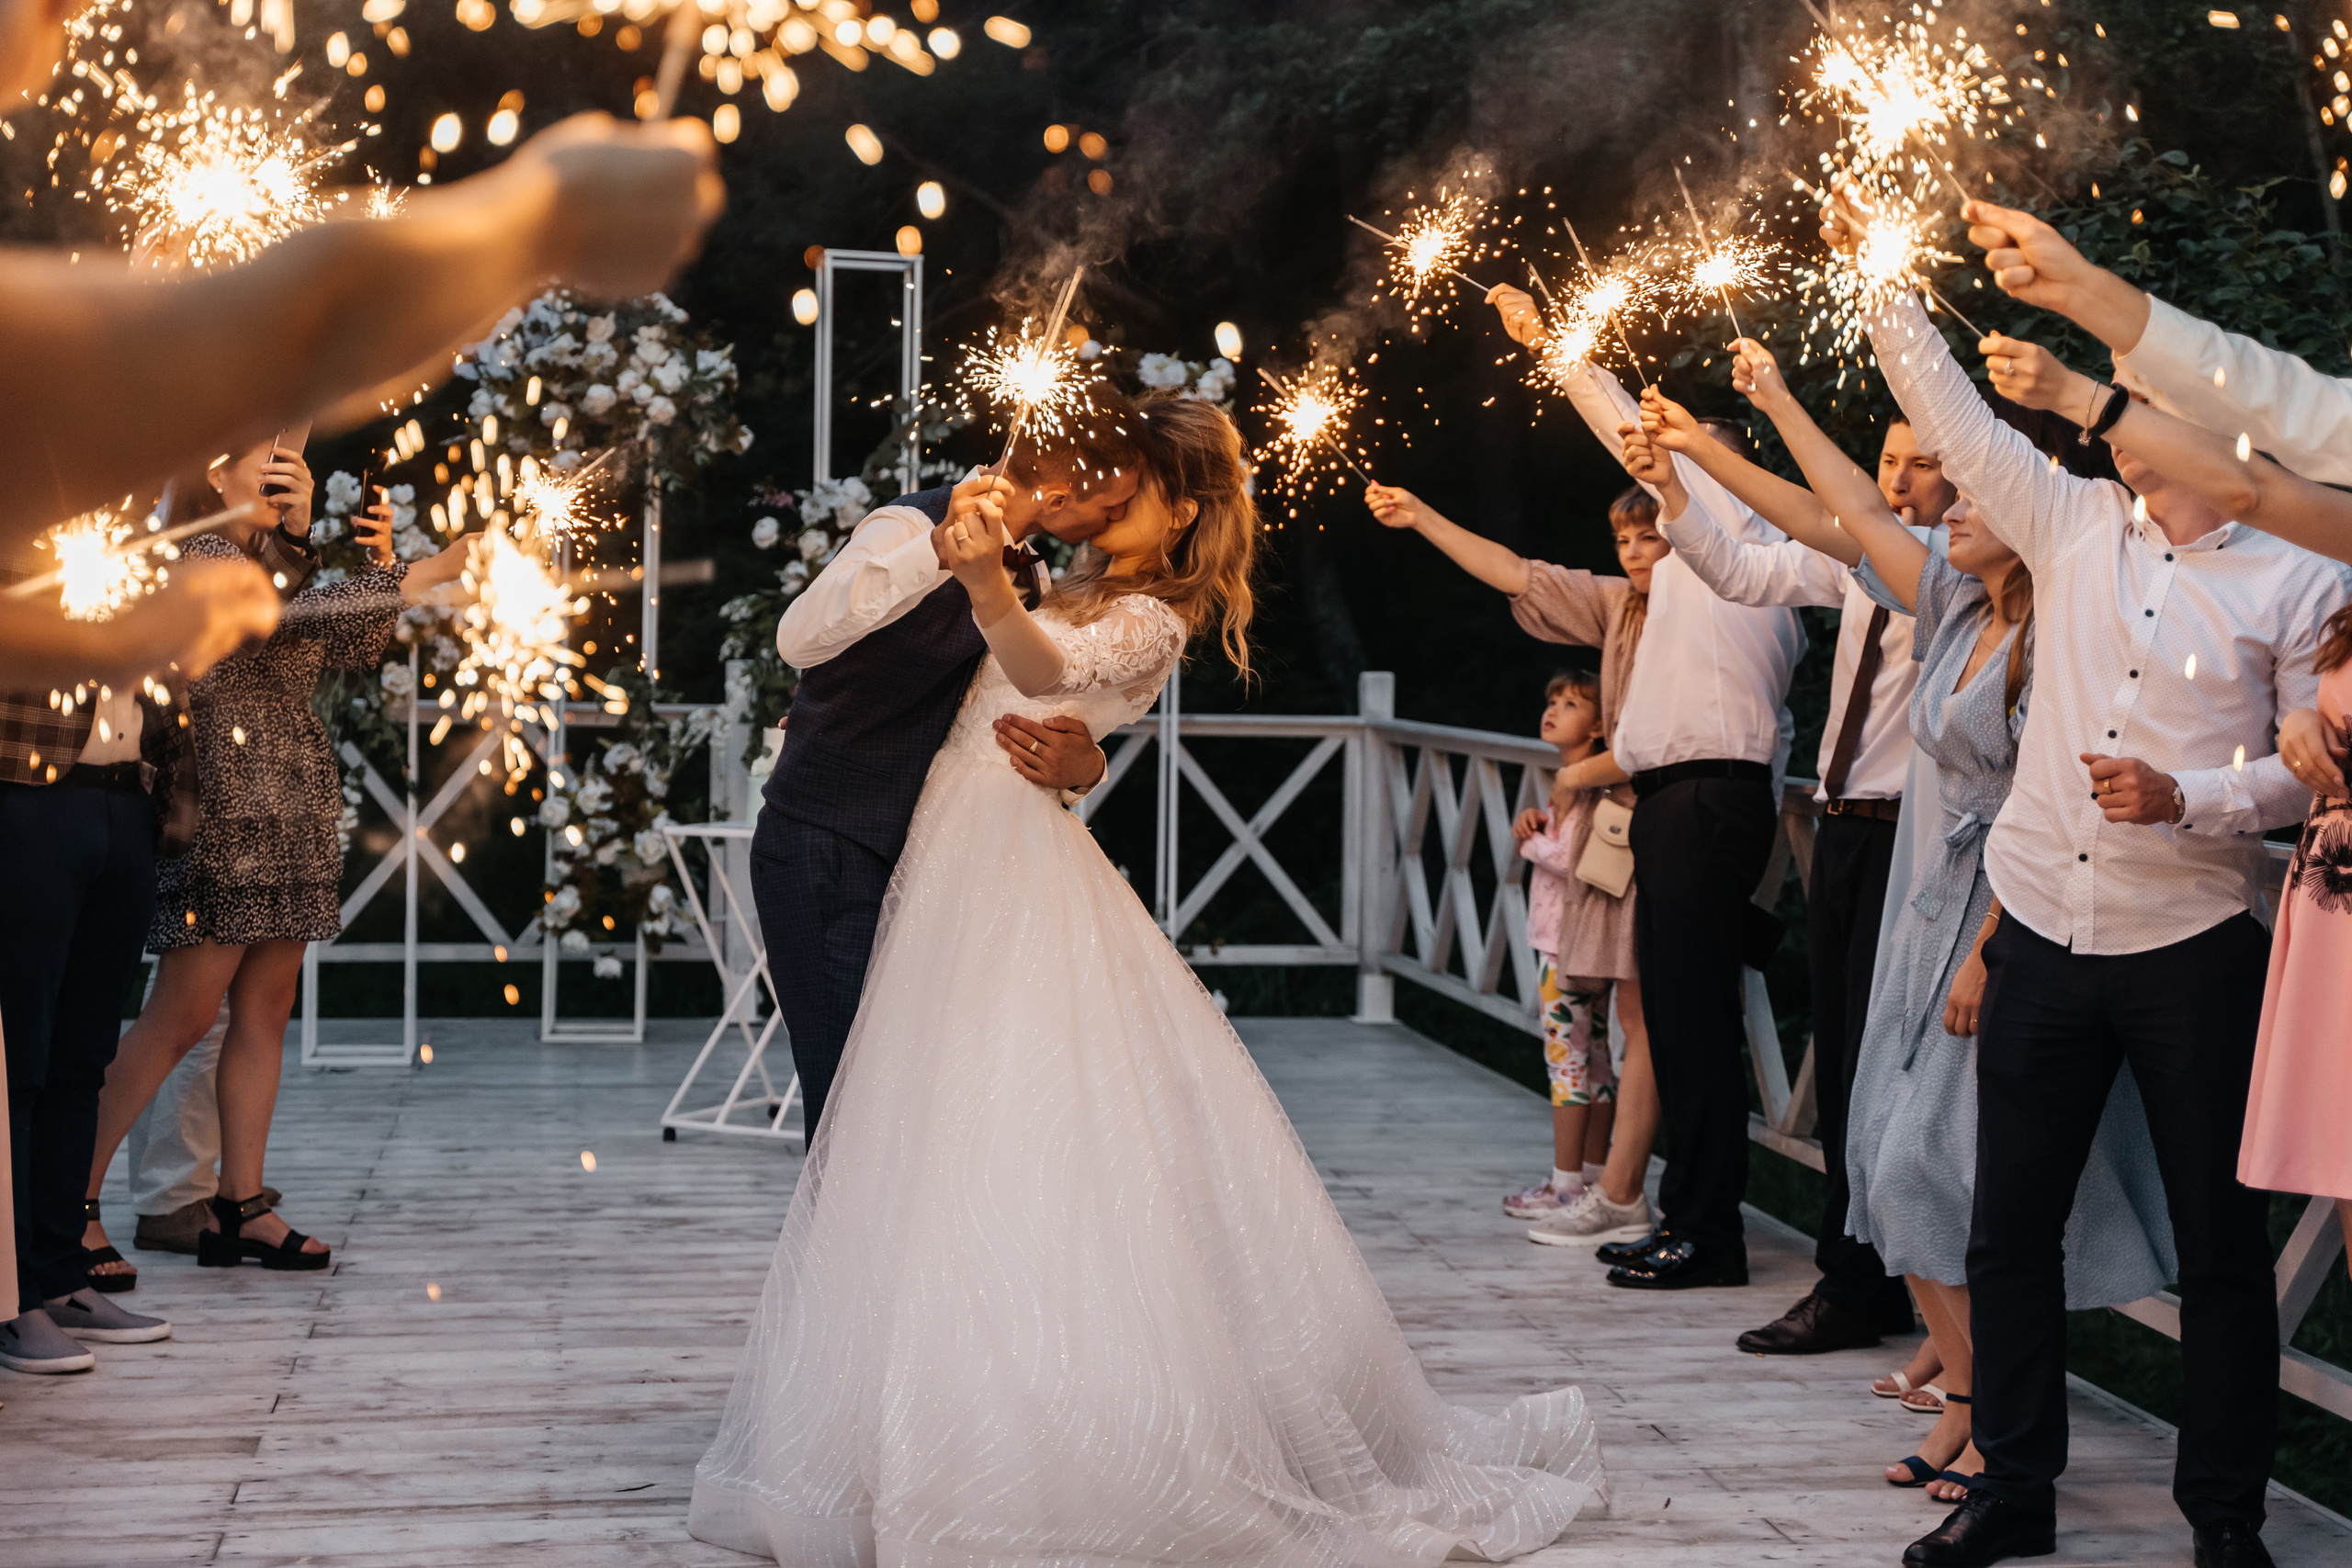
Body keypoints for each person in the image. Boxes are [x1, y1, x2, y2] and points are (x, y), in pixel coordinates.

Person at [688, 396, 1605, 1562]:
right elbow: (921, 673)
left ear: (1180, 507)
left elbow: (1049, 666)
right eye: (1098, 476)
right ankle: (906, 1411)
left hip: (1002, 876)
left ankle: (1021, 1426)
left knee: (1010, 1140)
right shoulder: (996, 547)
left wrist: (1008, 627)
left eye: (1127, 484)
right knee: (916, 1140)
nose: (1104, 498)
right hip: (930, 863)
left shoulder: (1142, 617)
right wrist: (1050, 694)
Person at [1842, 210, 2350, 1568]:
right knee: (2012, 1226)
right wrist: (1881, 275)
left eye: (2142, 415)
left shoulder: (2301, 575)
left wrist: (2196, 797)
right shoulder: (2068, 525)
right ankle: (2015, 1489)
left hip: (2191, 939)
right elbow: (1945, 408)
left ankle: (2226, 1514)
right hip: (2043, 936)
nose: (2117, 435)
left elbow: (2316, 770)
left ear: (2200, 432)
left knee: (2219, 1244)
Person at [1640, 355, 2178, 1504]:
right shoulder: (1952, 599)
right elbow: (1836, 512)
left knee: (1940, 1168)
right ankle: (1978, 1403)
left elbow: (2049, 802)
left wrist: (1991, 940)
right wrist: (1732, 428)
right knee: (1882, 1170)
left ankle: (1996, 1416)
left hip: (2004, 910)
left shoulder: (2066, 631)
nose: (1955, 505)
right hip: (1918, 906)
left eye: (1977, 494)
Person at [76, 460, 469, 1281]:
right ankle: (69, 1201)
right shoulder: (200, 553)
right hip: (224, 797)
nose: (282, 467)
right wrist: (420, 572)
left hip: (292, 792)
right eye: (260, 455)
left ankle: (241, 1202)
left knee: (267, 1005)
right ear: (211, 475)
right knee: (182, 1015)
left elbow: (353, 642)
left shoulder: (280, 556)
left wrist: (374, 562)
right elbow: (274, 621)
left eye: (288, 456)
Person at [1622, 382, 1952, 1356]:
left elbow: (1821, 519)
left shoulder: (1944, 562)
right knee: (1846, 1056)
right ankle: (1863, 1275)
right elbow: (1736, 567)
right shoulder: (1857, 563)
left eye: (1918, 461)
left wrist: (1713, 442)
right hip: (1843, 822)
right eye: (1886, 458)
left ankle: (1873, 1283)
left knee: (1886, 1064)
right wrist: (1677, 495)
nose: (1895, 477)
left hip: (1915, 827)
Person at [1489, 285, 1806, 1291]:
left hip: (1712, 800)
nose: (1655, 456)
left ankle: (1708, 1233)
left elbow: (1639, 436)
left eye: (1684, 451)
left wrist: (1561, 350)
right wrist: (1558, 351)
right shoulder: (1676, 574)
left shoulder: (1753, 564)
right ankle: (1687, 1218)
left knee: (1696, 1025)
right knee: (1671, 1022)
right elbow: (1628, 446)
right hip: (1675, 805)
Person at [754, 387, 1147, 1141]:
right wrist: (935, 550)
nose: (1108, 524)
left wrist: (1087, 764)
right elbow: (797, 639)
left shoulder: (1028, 583)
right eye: (1110, 502)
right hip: (825, 844)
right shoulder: (908, 523)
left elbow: (990, 718)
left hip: (932, 868)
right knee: (848, 1106)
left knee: (912, 1105)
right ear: (1062, 492)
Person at [1362, 481, 1661, 1247]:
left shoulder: (1721, 597)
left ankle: (1612, 1185)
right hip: (1612, 870)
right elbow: (1521, 574)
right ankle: (1603, 1183)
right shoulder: (1619, 604)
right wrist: (1423, 514)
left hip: (1666, 836)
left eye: (1647, 537)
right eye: (1623, 539)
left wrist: (1570, 784)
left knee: (1633, 1029)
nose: (1632, 554)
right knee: (1615, 1036)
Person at [1505, 670, 1626, 1220]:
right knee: (1596, 1062)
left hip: (1564, 949)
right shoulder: (1576, 787)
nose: (1554, 709)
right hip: (1585, 946)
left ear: (1599, 726)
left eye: (1572, 703)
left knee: (1567, 1065)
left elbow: (1574, 861)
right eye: (1552, 699)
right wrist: (1539, 819)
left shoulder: (1586, 789)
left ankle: (1565, 1184)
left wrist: (1530, 840)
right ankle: (1596, 1176)